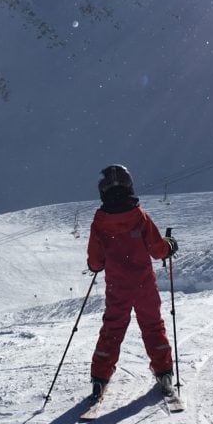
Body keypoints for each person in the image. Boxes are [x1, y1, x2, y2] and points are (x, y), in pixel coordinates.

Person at [86, 164, 178, 401]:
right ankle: (164, 373)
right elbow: (158, 250)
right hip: (144, 285)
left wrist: (100, 263)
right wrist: (169, 245)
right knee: (152, 326)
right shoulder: (140, 217)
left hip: (118, 288)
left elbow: (96, 262)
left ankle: (99, 379)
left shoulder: (100, 223)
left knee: (112, 329)